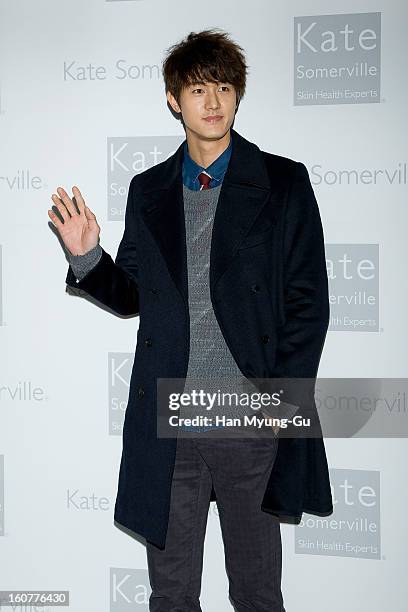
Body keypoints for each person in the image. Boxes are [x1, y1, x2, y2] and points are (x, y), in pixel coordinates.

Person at [48, 28, 333, 612]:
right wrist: (86, 257)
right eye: (199, 89)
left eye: (224, 88)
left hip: (248, 417)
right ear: (175, 99)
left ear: (236, 96)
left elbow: (309, 302)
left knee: (256, 592)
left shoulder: (282, 182)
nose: (213, 102)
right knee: (171, 593)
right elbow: (132, 296)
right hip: (170, 418)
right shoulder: (149, 189)